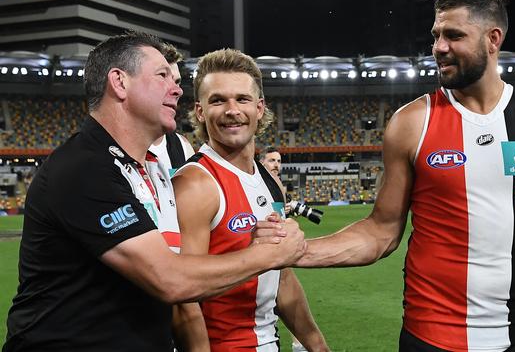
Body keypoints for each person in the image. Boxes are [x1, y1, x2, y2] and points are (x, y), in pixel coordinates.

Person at [285, 0, 515, 352]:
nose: (439, 47)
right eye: (436, 36)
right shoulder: (412, 123)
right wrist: (297, 251)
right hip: (430, 337)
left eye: (454, 35)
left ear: (493, 39)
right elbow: (381, 232)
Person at [2, 31, 305, 352]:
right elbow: (170, 279)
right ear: (120, 83)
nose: (177, 89)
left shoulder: (148, 168)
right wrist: (268, 255)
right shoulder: (85, 168)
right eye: (162, 76)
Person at [171, 48, 329, 352]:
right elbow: (184, 300)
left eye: (242, 99)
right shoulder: (194, 184)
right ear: (200, 111)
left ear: (259, 108)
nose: (232, 110)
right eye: (218, 100)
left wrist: (318, 347)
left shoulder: (270, 182)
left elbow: (283, 282)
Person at [258, 146, 309, 352]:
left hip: (280, 257)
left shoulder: (278, 185)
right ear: (261, 162)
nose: (276, 165)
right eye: (271, 160)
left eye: (279, 161)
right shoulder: (254, 182)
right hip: (260, 256)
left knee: (287, 299)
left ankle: (298, 345)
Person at [149, 42, 195, 179]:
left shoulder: (183, 148)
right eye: (163, 77)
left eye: (177, 81)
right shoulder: (112, 149)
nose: (178, 91)